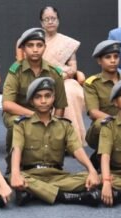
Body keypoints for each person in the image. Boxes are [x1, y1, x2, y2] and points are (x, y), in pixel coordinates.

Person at [9, 77, 101, 206]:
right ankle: (68, 197)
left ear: (53, 98)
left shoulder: (65, 125)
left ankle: (36, 193)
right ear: (31, 101)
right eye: (38, 97)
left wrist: (92, 170)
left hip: (58, 176)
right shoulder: (21, 125)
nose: (43, 101)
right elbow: (17, 149)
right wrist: (15, 173)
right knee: (13, 177)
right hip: (31, 175)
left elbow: (77, 150)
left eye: (47, 96)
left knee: (94, 178)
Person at [27, 6, 87, 144]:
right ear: (41, 23)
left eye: (53, 18)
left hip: (64, 79)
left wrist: (60, 75)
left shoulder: (67, 43)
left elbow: (73, 68)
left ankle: (72, 139)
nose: (50, 22)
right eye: (46, 19)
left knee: (70, 91)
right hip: (39, 79)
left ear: (58, 21)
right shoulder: (35, 43)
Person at [2, 27, 67, 153]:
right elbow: (7, 105)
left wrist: (55, 127)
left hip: (46, 114)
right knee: (17, 123)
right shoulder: (16, 70)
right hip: (18, 114)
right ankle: (14, 155)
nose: (35, 49)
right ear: (23, 48)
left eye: (39, 45)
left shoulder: (54, 72)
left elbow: (60, 106)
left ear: (45, 47)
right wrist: (36, 116)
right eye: (30, 45)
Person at [83, 39, 121, 155]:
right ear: (99, 61)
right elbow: (93, 112)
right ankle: (103, 155)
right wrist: (119, 122)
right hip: (105, 128)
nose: (113, 61)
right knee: (101, 123)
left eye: (116, 56)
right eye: (108, 57)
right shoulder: (92, 83)